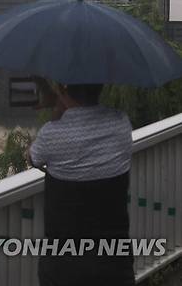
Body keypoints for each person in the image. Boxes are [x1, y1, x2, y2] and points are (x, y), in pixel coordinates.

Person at [28, 82, 135, 286]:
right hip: (114, 261)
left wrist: (57, 112)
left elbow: (33, 157)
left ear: (66, 93)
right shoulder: (120, 123)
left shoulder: (52, 134)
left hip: (64, 265)